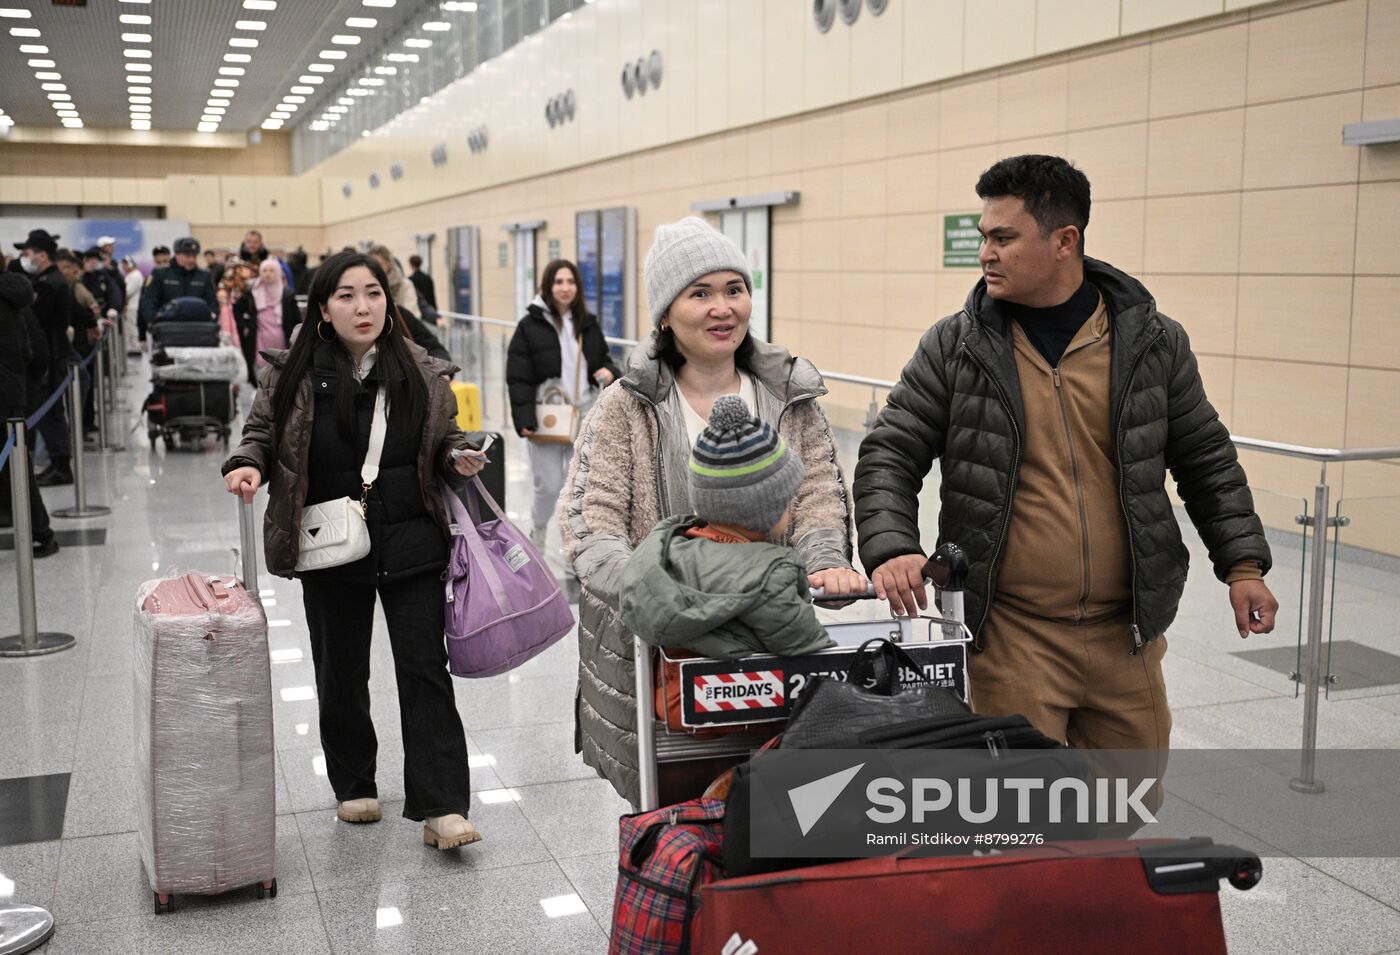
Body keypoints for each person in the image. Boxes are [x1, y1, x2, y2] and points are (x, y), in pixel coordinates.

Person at [854, 154, 1279, 771]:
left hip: (1126, 635)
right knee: (1019, 815)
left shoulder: (1153, 343)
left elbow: (1205, 456)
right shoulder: (957, 345)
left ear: (1065, 240)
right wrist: (893, 544)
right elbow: (891, 450)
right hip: (1011, 636)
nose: (986, 254)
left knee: (1126, 805)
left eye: (1004, 238)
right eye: (984, 238)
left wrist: (1242, 565)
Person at [560, 217, 864, 805]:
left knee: (780, 813)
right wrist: (668, 598)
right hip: (660, 661)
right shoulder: (628, 406)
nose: (723, 307)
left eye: (734, 289)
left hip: (768, 650)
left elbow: (819, 494)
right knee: (672, 818)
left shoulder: (787, 395)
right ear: (665, 315)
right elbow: (590, 522)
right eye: (699, 293)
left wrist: (824, 563)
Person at [221, 250, 487, 851]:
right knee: (340, 668)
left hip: (412, 536)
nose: (362, 306)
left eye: (372, 292)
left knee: (424, 670)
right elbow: (261, 432)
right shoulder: (294, 370)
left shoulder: (416, 367)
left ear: (388, 301)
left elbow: (440, 441)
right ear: (322, 307)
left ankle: (442, 805)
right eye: (346, 295)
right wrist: (245, 465)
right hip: (330, 542)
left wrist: (457, 456)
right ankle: (354, 782)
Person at [621, 395, 848, 660]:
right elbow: (808, 650)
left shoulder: (666, 553)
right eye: (787, 499)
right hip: (746, 697)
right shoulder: (771, 572)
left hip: (672, 696)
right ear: (764, 509)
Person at [506, 258, 621, 551]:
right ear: (547, 285)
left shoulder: (588, 323)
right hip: (547, 415)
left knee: (581, 485)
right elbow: (518, 376)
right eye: (558, 282)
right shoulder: (529, 326)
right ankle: (539, 529)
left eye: (570, 282)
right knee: (548, 484)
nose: (565, 288)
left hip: (584, 412)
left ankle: (578, 542)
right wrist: (524, 418)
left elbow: (604, 359)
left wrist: (609, 371)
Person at [0, 271, 58, 556]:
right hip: (12, 393)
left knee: (16, 466)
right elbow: (30, 349)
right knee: (16, 467)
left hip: (8, 396)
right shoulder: (13, 296)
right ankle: (38, 531)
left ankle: (40, 532)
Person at [13, 229, 76, 487]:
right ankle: (57, 463)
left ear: (41, 255)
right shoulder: (49, 280)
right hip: (53, 353)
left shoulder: (49, 284)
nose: (24, 258)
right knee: (51, 413)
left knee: (50, 413)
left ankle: (61, 465)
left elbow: (36, 321)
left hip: (51, 356)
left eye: (28, 254)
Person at [233, 257, 302, 388]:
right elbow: (237, 309)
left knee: (282, 374)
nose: (268, 274)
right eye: (264, 270)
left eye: (272, 270)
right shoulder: (252, 292)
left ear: (278, 272)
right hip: (259, 339)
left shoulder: (287, 294)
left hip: (283, 341)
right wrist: (244, 325)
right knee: (261, 374)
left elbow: (297, 320)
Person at [138, 237, 217, 347]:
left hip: (198, 333)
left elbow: (212, 303)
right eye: (187, 256)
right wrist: (155, 322)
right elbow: (148, 301)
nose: (191, 260)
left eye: (194, 256)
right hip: (168, 333)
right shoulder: (160, 274)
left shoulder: (204, 276)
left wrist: (212, 319)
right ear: (177, 254)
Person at [119, 256, 144, 357]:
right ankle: (133, 346)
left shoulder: (136, 276)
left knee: (132, 326)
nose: (123, 267)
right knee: (130, 327)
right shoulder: (131, 275)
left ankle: (136, 347)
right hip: (130, 306)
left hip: (133, 306)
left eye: (125, 265)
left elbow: (127, 292)